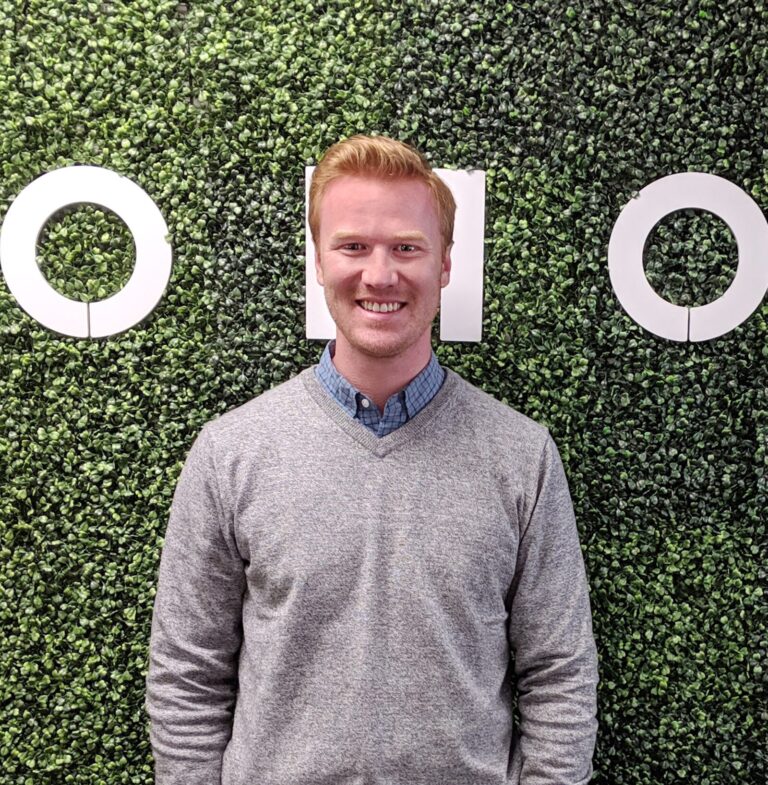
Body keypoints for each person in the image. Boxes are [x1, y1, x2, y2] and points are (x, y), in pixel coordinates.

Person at [146, 135, 598, 785]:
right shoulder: (230, 453)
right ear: (319, 261)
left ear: (445, 264)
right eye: (353, 246)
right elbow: (187, 676)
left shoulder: (520, 456)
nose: (380, 274)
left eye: (406, 248)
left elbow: (560, 676)